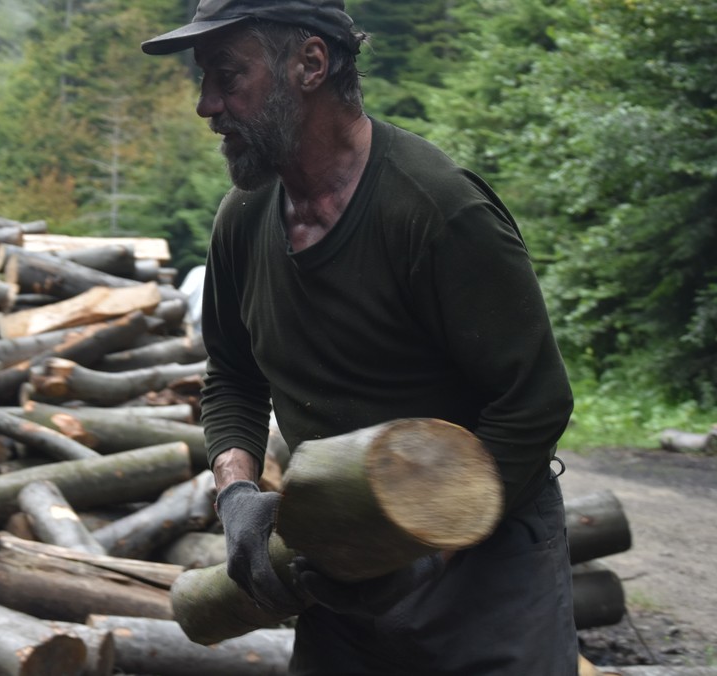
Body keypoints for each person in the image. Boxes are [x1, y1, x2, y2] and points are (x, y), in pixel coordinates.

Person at [142, 1, 578, 674]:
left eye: (228, 75)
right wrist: (237, 497)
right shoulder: (244, 218)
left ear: (310, 63)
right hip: (337, 567)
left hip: (485, 573)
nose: (208, 104)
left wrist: (429, 549)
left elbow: (534, 404)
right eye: (205, 80)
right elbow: (232, 374)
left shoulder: (435, 210)